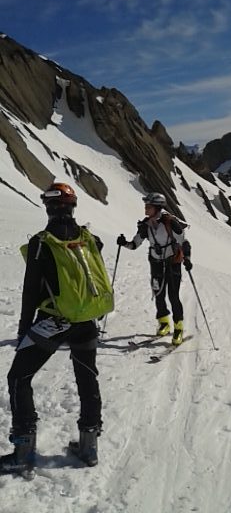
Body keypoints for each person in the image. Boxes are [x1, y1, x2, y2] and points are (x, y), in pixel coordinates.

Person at [2, 183, 113, 474]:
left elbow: (30, 292)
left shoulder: (42, 242)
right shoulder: (90, 239)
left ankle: (24, 449)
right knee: (87, 378)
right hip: (87, 321)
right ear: (72, 206)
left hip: (54, 322)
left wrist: (25, 329)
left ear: (49, 207)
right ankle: (89, 448)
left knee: (18, 377)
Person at [118, 192, 191, 346]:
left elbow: (184, 242)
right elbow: (134, 245)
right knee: (158, 293)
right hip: (156, 263)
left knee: (173, 296)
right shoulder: (145, 225)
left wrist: (188, 259)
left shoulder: (170, 222)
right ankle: (164, 323)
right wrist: (124, 243)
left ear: (157, 208)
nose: (145, 209)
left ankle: (178, 328)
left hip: (172, 263)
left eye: (148, 206)